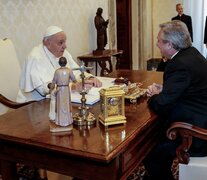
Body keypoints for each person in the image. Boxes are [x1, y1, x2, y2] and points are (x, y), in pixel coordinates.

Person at [145, 20, 207, 179]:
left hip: (196, 135)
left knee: (150, 152)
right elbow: (189, 88)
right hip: (200, 117)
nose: (157, 44)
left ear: (170, 44)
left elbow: (161, 105)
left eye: (159, 41)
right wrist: (165, 89)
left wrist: (153, 97)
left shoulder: (178, 64)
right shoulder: (192, 53)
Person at [17, 25, 102, 102]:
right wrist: (73, 87)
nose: (65, 46)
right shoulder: (35, 57)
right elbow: (44, 89)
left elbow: (76, 71)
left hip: (58, 100)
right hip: (35, 104)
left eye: (65, 42)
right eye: (60, 43)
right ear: (47, 43)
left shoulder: (63, 53)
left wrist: (89, 78)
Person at [49, 57, 77, 126]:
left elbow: (54, 81)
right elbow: (74, 79)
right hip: (66, 89)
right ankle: (67, 121)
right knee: (66, 104)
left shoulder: (57, 71)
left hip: (60, 89)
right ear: (66, 62)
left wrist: (50, 89)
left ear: (59, 63)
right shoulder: (69, 70)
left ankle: (60, 121)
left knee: (60, 105)